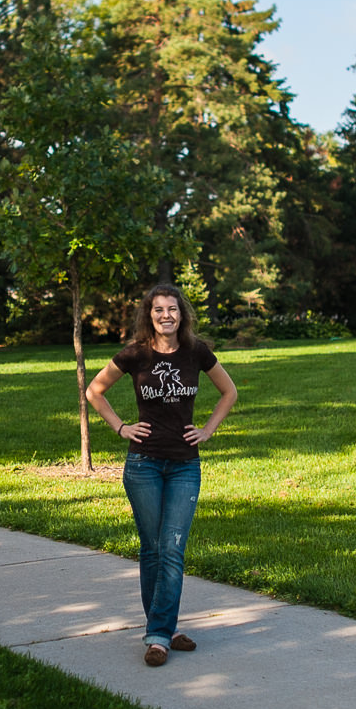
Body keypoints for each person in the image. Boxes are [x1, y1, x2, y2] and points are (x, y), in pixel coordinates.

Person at [84, 283, 238, 666]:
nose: (166, 315)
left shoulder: (196, 352)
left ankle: (159, 634)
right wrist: (122, 427)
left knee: (172, 549)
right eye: (158, 310)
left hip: (185, 464)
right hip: (144, 465)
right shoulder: (135, 354)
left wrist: (206, 431)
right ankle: (163, 631)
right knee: (153, 551)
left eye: (172, 309)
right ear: (148, 315)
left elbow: (229, 392)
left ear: (181, 314)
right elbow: (95, 391)